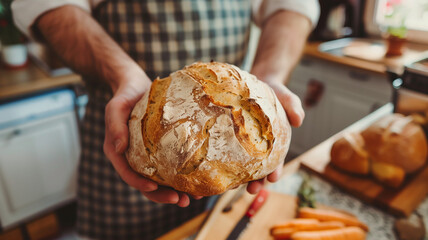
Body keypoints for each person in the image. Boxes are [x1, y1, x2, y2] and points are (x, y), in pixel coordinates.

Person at [12, 0, 319, 239]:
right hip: (125, 143)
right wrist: (123, 75)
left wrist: (268, 79)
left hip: (231, 159)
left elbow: (291, 5)